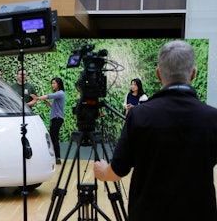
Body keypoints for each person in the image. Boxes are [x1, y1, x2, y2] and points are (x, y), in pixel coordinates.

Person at [93, 40, 217, 221]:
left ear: (158, 74)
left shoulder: (139, 116)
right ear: (193, 74)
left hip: (148, 214)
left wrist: (103, 170)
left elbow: (117, 171)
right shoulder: (212, 118)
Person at [31, 78, 65, 165]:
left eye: (54, 83)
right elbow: (52, 106)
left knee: (54, 138)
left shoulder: (60, 93)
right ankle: (55, 157)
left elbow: (48, 96)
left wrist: (37, 98)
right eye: (51, 83)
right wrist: (46, 102)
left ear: (59, 84)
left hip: (58, 119)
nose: (52, 85)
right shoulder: (57, 95)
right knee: (53, 138)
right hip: (55, 119)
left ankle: (58, 158)